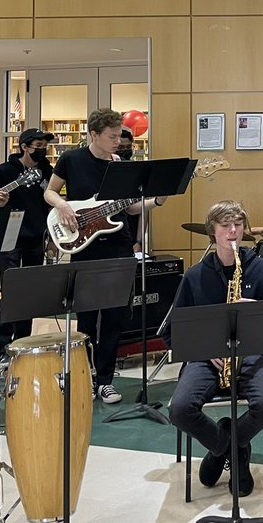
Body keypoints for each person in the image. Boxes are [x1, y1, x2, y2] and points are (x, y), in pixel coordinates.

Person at [45, 107, 166, 405]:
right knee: (86, 316)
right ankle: (84, 374)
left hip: (118, 246)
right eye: (112, 136)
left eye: (118, 136)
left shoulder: (119, 164)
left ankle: (106, 381)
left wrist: (158, 200)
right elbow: (49, 192)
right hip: (85, 248)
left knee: (114, 316)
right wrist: (62, 205)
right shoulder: (72, 160)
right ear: (94, 134)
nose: (117, 142)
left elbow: (130, 208)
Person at [167, 201, 263, 498]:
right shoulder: (195, 275)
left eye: (238, 225)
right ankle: (231, 449)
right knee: (179, 410)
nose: (233, 232)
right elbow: (173, 331)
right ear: (212, 232)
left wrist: (257, 311)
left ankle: (224, 448)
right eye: (225, 226)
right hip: (207, 358)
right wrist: (205, 350)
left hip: (252, 355)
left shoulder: (262, 270)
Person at [0, 128, 54, 358]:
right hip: (9, 237)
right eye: (38, 146)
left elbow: (51, 204)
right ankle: (5, 345)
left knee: (30, 291)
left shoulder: (46, 171)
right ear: (24, 147)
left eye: (45, 146)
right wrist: (0, 204)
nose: (42, 150)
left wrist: (51, 237)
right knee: (11, 290)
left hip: (36, 235)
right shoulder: (4, 172)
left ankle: (24, 340)